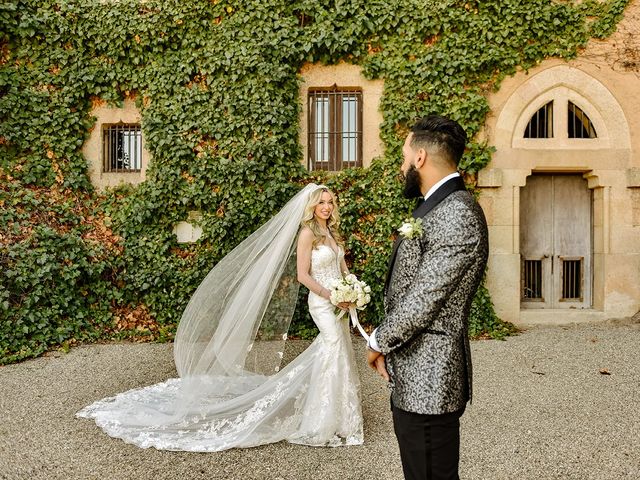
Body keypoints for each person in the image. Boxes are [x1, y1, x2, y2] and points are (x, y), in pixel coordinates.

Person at [77, 184, 363, 451]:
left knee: (337, 351)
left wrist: (353, 288)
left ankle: (340, 416)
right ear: (312, 206)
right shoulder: (307, 234)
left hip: (340, 301)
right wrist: (331, 294)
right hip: (322, 301)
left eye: (329, 202)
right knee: (334, 346)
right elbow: (303, 276)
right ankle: (320, 420)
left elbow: (342, 267)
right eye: (321, 202)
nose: (326, 206)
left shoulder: (333, 233)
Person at [367, 115, 489, 480]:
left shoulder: (458, 213)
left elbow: (425, 298)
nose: (402, 165)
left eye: (404, 156)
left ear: (420, 157)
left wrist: (378, 340)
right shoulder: (438, 208)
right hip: (415, 378)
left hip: (432, 381)